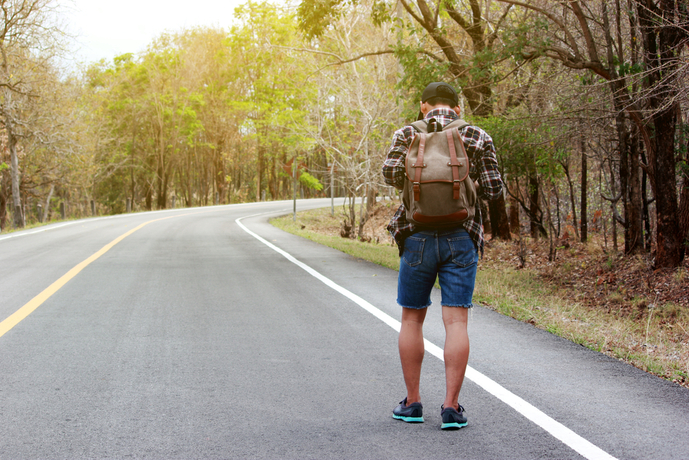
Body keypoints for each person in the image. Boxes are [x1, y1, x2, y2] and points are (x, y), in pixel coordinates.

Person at [382, 81, 503, 430]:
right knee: (456, 322)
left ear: (423, 106)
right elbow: (494, 189)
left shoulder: (406, 134)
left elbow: (390, 174)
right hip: (461, 237)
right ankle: (451, 408)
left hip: (416, 236)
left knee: (411, 320)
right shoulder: (476, 136)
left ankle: (413, 403)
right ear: (458, 109)